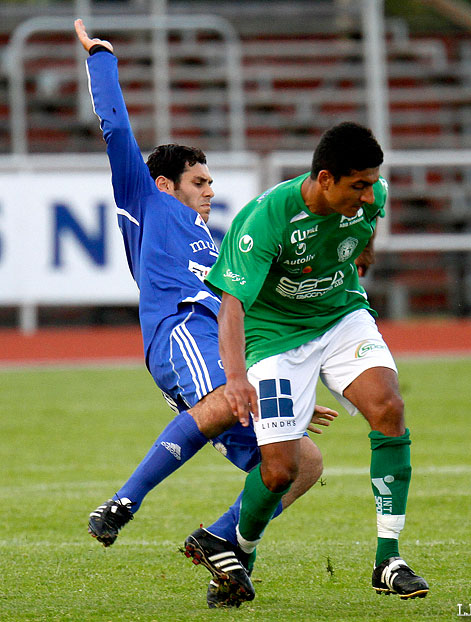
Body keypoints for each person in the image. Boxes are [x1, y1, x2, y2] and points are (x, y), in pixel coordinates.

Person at [74, 20, 336, 608]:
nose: (209, 191)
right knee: (230, 405)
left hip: (220, 348)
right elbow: (115, 127)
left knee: (298, 462)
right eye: (199, 181)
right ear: (166, 182)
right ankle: (124, 502)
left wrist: (284, 384)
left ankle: (224, 543)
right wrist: (101, 58)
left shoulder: (213, 243)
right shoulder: (145, 199)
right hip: (180, 333)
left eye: (212, 182)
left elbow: (243, 314)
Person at [200, 120, 429, 604]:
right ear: (325, 179)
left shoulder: (374, 196)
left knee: (388, 407)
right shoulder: (266, 219)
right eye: (358, 185)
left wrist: (363, 253)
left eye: (372, 183)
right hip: (275, 339)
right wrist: (236, 378)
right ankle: (239, 549)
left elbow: (368, 226)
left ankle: (389, 557)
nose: (369, 196)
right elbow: (232, 304)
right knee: (281, 469)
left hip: (342, 317)